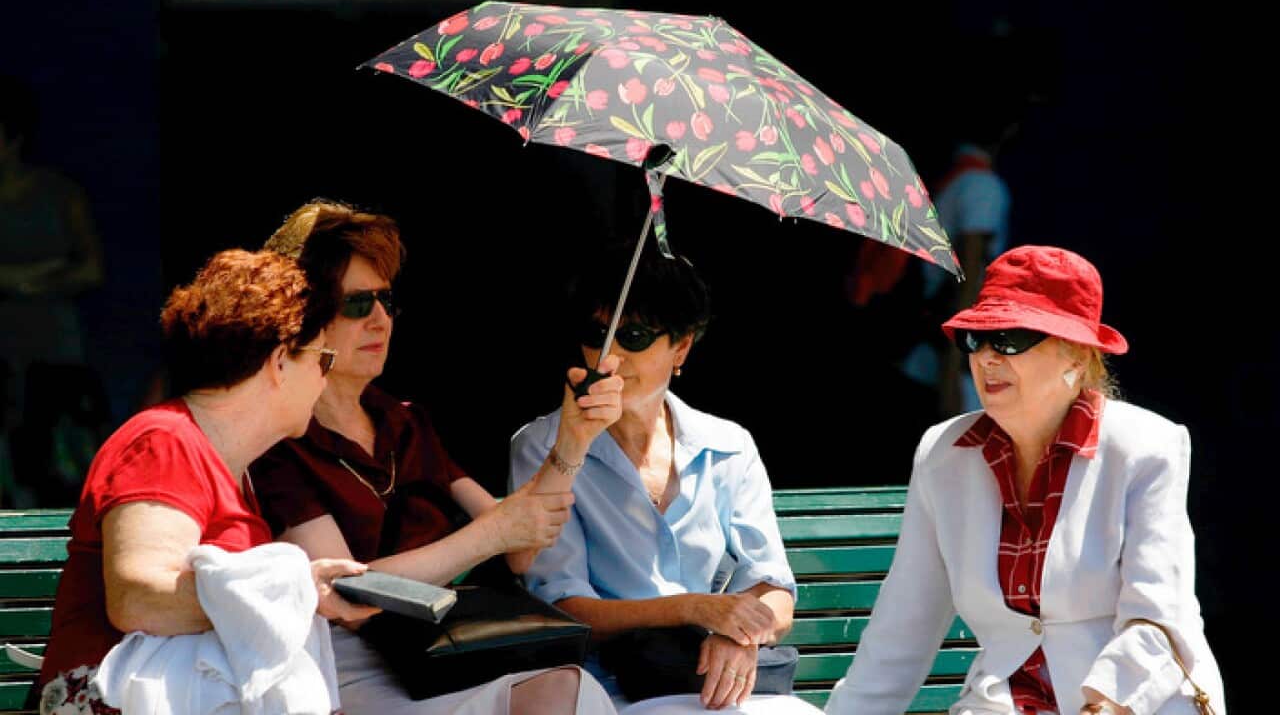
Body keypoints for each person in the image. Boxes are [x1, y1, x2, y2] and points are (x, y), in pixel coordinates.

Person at [250, 199, 624, 715]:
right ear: (305, 315)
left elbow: (520, 545)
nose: (380, 319)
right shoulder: (281, 441)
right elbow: (348, 593)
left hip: (447, 647)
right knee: (569, 697)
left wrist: (574, 441)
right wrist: (489, 536)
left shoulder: (404, 420)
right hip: (350, 666)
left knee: (577, 691)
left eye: (387, 301)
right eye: (359, 304)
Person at [824, 246, 1226, 715]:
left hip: (1134, 701)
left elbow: (1156, 618)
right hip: (1002, 703)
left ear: (1075, 356)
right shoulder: (942, 453)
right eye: (976, 339)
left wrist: (1107, 703)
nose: (988, 358)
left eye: (1011, 339)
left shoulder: (1147, 446)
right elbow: (904, 621)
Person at [36, 249, 378, 714]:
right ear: (279, 362)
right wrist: (297, 590)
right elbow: (139, 599)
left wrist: (304, 593)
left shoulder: (228, 466)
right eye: (323, 359)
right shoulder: (164, 442)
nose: (325, 379)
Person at [510, 243, 821, 714]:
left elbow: (772, 587)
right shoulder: (543, 446)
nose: (609, 356)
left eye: (632, 336)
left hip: (716, 682)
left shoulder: (729, 444)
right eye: (597, 334)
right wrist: (694, 608)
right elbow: (563, 606)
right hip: (608, 687)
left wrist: (741, 636)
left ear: (681, 346)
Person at [0, 74, 107, 507]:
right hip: (1, 350)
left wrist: (25, 280)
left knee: (53, 451)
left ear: (14, 138)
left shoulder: (59, 193)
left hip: (52, 346)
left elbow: (90, 268)